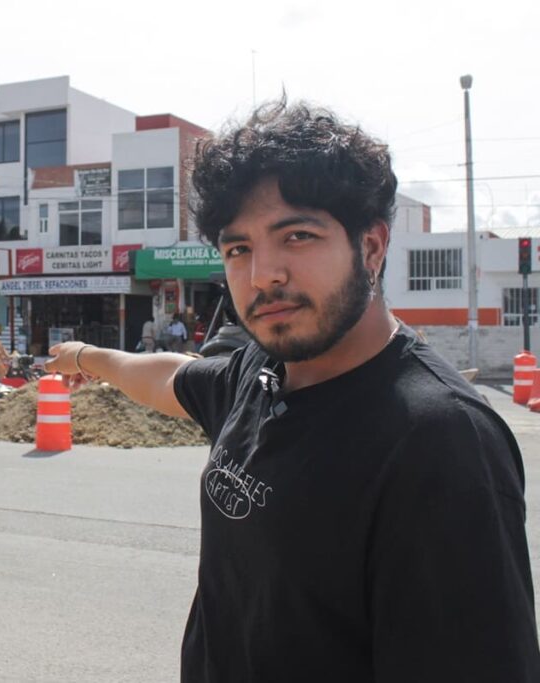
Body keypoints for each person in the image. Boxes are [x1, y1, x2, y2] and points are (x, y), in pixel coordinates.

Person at [45, 99, 540, 682]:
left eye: (297, 236)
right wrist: (85, 357)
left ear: (372, 247)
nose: (263, 275)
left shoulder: (439, 441)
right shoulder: (260, 371)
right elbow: (167, 376)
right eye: (239, 249)